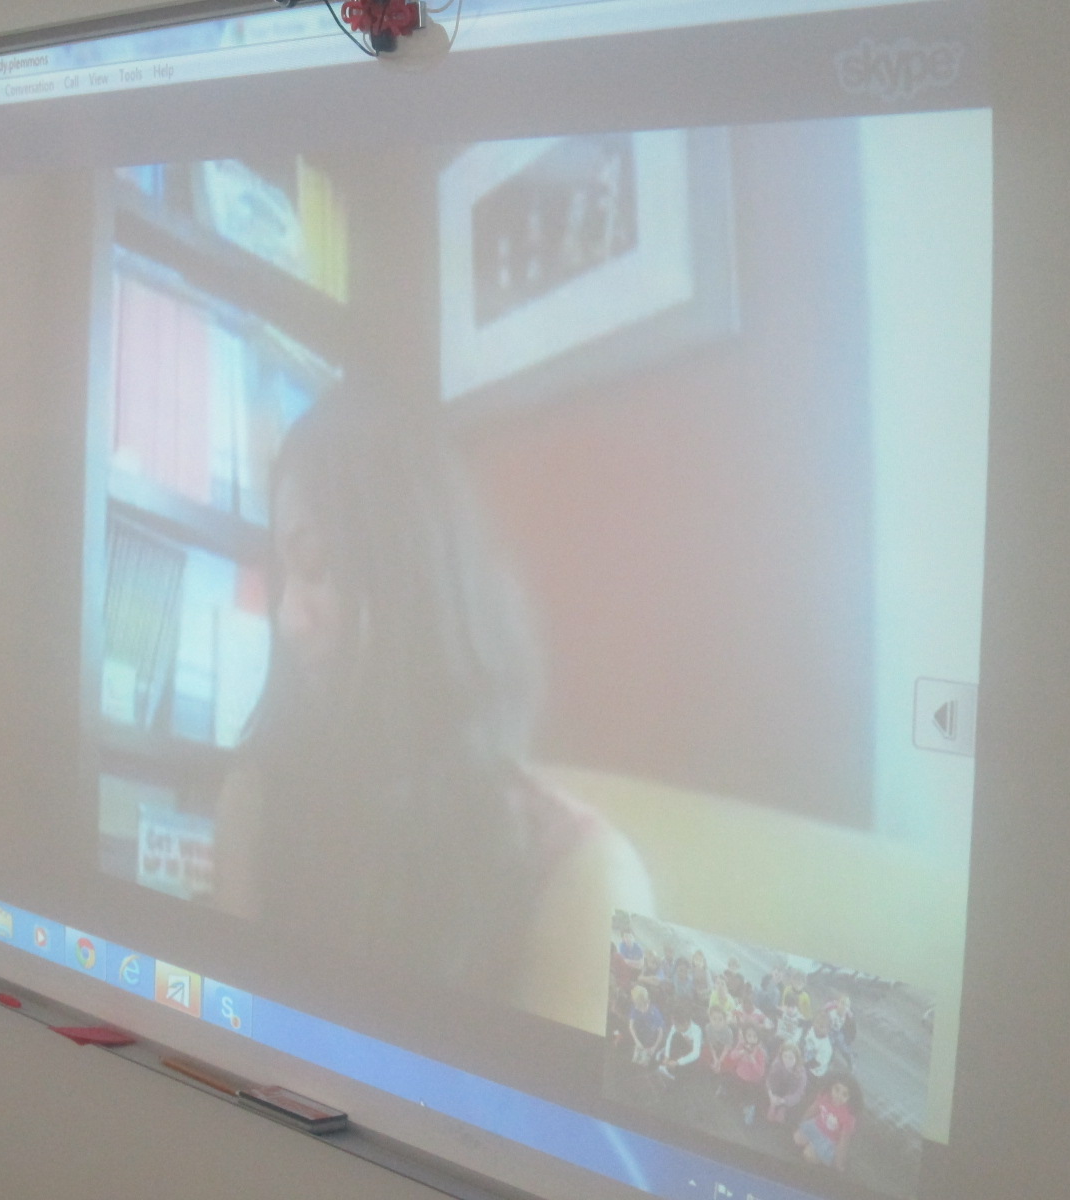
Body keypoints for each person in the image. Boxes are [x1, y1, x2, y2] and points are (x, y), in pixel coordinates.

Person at [213, 392, 654, 1033]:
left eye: (317, 566)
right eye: (284, 576)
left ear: (414, 572)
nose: (288, 621)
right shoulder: (257, 803)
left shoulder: (582, 881)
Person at [795, 1076, 861, 1171]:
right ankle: (811, 1145)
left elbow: (844, 1141)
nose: (838, 1096)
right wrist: (802, 1123)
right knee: (797, 1139)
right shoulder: (825, 1096)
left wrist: (839, 1163)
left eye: (844, 1094)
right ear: (831, 1087)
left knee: (808, 1155)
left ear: (850, 1098)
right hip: (816, 1126)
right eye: (837, 1089)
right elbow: (813, 1109)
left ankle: (818, 1157)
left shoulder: (848, 1117)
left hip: (829, 1139)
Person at [717, 1023, 769, 1122]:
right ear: (745, 1036)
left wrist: (752, 1059)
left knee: (749, 1098)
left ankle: (749, 1109)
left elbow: (761, 1072)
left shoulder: (760, 1052)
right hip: (739, 1075)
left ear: (758, 1038)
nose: (751, 1039)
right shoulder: (741, 1045)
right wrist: (741, 1052)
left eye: (754, 1036)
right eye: (749, 1036)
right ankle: (725, 1089)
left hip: (751, 1081)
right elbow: (732, 1056)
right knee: (734, 1093)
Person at [764, 1041, 808, 1123]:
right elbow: (769, 1080)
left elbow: (798, 1093)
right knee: (769, 1117)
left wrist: (784, 1101)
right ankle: (773, 1105)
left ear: (797, 1059)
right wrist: (771, 1096)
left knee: (780, 1119)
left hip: (789, 1094)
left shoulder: (801, 1074)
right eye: (785, 1056)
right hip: (777, 1090)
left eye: (791, 1058)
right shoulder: (777, 1064)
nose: (787, 1060)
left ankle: (783, 1108)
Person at [628, 985, 666, 1068]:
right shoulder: (635, 1008)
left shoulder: (654, 1012)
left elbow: (661, 1032)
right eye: (635, 1003)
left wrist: (654, 1047)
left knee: (644, 1064)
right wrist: (636, 1041)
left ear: (644, 1001)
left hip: (652, 1040)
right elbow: (631, 1026)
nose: (636, 1006)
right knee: (634, 1062)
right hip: (640, 1038)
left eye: (637, 1004)